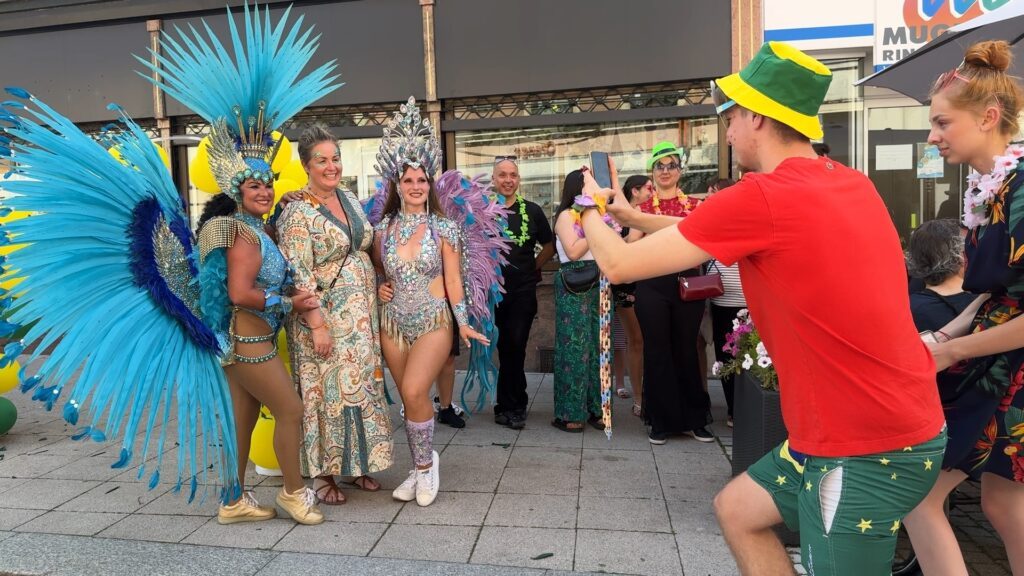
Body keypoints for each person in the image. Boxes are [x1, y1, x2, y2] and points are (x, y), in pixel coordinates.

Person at [576, 41, 945, 575]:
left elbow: (615, 266)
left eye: (731, 116)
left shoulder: (761, 197)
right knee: (737, 510)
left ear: (757, 117)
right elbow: (697, 231)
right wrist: (630, 211)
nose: (726, 129)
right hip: (890, 421)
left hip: (859, 443)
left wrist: (590, 206)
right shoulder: (847, 180)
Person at [903, 41, 1024, 576]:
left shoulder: (1017, 189)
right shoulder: (992, 189)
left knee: (919, 495)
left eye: (942, 122)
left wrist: (951, 351)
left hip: (1008, 371)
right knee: (1003, 502)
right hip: (996, 361)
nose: (932, 136)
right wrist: (946, 337)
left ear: (989, 117)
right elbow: (993, 291)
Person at [372, 100, 490, 507]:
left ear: (430, 183)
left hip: (434, 320)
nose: (416, 186)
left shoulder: (445, 227)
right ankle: (419, 465)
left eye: (422, 179)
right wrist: (378, 290)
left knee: (414, 387)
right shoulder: (381, 229)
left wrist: (463, 322)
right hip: (392, 323)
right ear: (397, 185)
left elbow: (454, 279)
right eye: (408, 180)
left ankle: (425, 468)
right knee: (409, 399)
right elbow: (374, 273)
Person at [276, 123, 394, 505]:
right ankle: (324, 474)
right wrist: (317, 325)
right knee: (325, 394)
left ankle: (357, 464)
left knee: (360, 389)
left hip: (360, 320)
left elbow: (362, 248)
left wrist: (378, 281)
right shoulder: (296, 211)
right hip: (324, 319)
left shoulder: (348, 198)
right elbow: (297, 273)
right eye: (322, 161)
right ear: (306, 166)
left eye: (336, 158)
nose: (332, 166)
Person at [631, 142, 713, 445]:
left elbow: (707, 242)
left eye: (671, 165)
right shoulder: (640, 210)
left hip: (687, 284)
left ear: (680, 171)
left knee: (686, 349)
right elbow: (630, 247)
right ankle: (661, 422)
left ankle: (694, 420)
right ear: (652, 173)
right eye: (660, 166)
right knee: (657, 350)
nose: (665, 171)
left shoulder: (696, 206)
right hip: (652, 284)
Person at [491, 156, 555, 429]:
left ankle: (514, 405)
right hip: (493, 292)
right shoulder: (484, 211)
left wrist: (533, 268)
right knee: (503, 347)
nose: (508, 180)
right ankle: (506, 404)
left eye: (513, 175)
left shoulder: (532, 210)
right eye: (503, 175)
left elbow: (550, 245)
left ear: (519, 180)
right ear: (494, 179)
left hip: (523, 290)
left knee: (515, 344)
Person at [550, 170, 604, 432]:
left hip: (599, 282)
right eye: (590, 182)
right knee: (574, 347)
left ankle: (597, 409)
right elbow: (572, 251)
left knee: (598, 346)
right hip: (573, 283)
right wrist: (592, 227)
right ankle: (572, 413)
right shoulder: (565, 216)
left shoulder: (598, 214)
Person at [705, 178, 745, 428]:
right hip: (720, 302)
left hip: (748, 303)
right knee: (725, 357)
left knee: (746, 358)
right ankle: (732, 409)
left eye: (712, 193)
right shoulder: (709, 225)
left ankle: (747, 406)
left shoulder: (743, 223)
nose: (707, 197)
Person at [612, 175, 651, 417]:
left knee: (648, 341)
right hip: (628, 285)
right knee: (635, 340)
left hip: (652, 283)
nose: (652, 192)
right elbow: (625, 244)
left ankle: (648, 392)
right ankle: (638, 397)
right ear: (634, 191)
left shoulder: (650, 213)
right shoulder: (621, 216)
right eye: (648, 188)